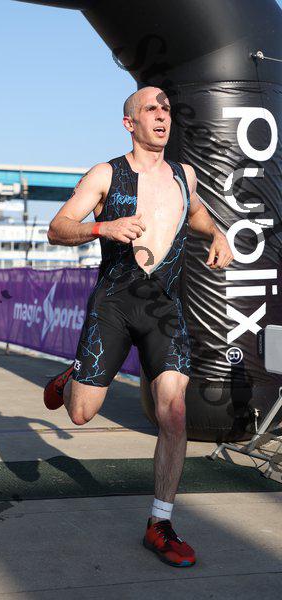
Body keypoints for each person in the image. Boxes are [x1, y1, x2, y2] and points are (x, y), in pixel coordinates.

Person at [43, 86, 233, 568]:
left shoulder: (185, 175)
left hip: (164, 308)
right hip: (114, 304)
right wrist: (101, 227)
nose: (162, 115)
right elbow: (58, 227)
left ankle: (160, 523)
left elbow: (196, 213)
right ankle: (75, 377)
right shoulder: (106, 173)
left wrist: (218, 234)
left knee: (174, 413)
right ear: (130, 123)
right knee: (81, 414)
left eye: (166, 107)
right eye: (151, 108)